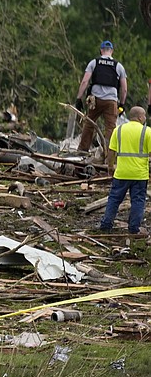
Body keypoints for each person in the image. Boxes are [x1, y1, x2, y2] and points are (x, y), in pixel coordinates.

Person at [99, 106, 149, 235]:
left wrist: (110, 166)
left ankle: (106, 225)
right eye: (144, 116)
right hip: (139, 175)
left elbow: (112, 150)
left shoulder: (119, 130)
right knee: (138, 201)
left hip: (121, 173)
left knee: (114, 199)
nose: (145, 118)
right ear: (139, 117)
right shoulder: (147, 132)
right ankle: (134, 228)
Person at [76, 40, 127, 154]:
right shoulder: (119, 66)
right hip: (111, 102)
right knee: (110, 128)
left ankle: (82, 150)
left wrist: (79, 98)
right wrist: (122, 104)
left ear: (101, 50)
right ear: (112, 51)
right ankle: (109, 154)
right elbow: (124, 89)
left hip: (95, 100)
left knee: (89, 124)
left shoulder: (94, 62)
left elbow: (85, 82)